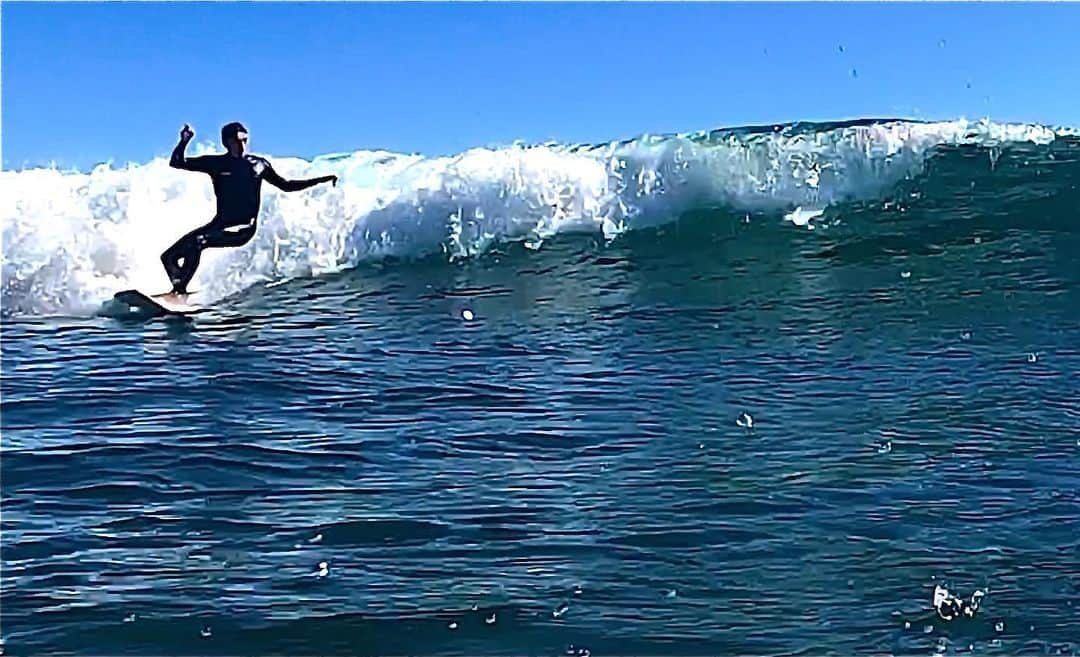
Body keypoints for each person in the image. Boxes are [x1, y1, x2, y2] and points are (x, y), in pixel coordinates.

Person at [162, 122, 337, 296]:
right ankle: (179, 287)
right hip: (219, 224)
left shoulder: (259, 165)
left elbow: (287, 185)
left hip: (243, 228)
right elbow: (177, 162)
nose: (242, 145)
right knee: (168, 257)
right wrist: (185, 140)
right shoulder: (216, 163)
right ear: (226, 143)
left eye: (245, 140)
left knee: (198, 242)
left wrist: (320, 180)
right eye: (237, 141)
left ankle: (179, 291)